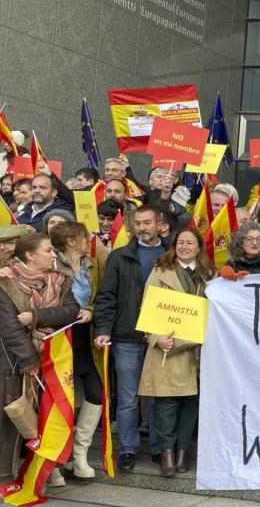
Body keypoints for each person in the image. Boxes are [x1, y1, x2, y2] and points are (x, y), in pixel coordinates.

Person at [0, 233, 83, 479]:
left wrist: (36, 316)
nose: (53, 255)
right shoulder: (6, 281)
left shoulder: (59, 280)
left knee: (46, 415)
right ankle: (6, 475)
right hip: (14, 362)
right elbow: (9, 327)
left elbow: (71, 310)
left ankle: (42, 471)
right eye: (48, 250)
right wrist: (29, 360)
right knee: (13, 418)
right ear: (29, 255)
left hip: (51, 359)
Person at [93, 205, 169, 470]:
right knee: (127, 398)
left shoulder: (172, 253)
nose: (142, 227)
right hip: (128, 336)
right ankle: (128, 447)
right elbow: (106, 297)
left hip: (163, 338)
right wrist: (103, 329)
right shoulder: (119, 256)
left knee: (160, 397)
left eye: (147, 222)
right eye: (138, 223)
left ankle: (160, 448)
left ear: (159, 225)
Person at [138, 228, 214, 477]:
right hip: (168, 348)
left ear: (199, 247)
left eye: (190, 243)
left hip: (198, 349)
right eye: (180, 242)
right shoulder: (161, 270)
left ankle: (183, 452)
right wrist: (156, 338)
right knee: (166, 404)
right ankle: (167, 453)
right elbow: (148, 307)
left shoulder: (209, 274)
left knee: (191, 403)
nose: (184, 246)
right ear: (174, 245)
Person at [50, 222, 106, 479]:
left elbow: (103, 296)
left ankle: (80, 454)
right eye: (85, 236)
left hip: (87, 335)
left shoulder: (93, 265)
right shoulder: (52, 265)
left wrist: (91, 311)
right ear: (72, 241)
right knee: (61, 398)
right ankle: (54, 461)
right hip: (60, 337)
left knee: (95, 391)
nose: (89, 239)